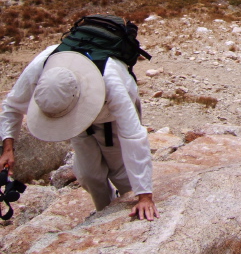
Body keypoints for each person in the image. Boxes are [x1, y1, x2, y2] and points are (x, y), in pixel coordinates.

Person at [0, 47, 158, 220]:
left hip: (110, 116)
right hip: (76, 119)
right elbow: (12, 105)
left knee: (121, 173)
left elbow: (133, 136)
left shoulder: (110, 80)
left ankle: (128, 208)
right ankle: (104, 215)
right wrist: (8, 149)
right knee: (89, 175)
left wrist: (144, 196)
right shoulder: (41, 66)